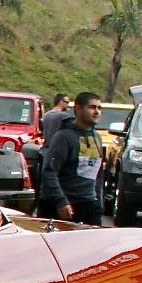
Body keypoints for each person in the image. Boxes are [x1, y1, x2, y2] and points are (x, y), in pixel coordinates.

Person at [39, 91, 105, 225]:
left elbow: (98, 173)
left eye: (99, 108)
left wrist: (99, 201)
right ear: (78, 109)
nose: (97, 112)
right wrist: (60, 201)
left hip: (89, 205)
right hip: (64, 205)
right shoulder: (64, 136)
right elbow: (49, 171)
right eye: (92, 107)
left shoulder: (96, 137)